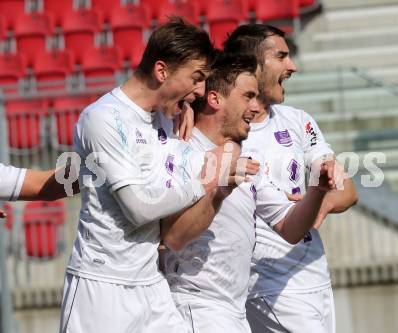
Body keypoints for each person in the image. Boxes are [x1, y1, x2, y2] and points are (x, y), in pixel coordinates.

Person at [58, 18, 250, 333]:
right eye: (196, 78)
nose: (201, 91)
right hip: (103, 290)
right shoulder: (103, 119)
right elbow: (139, 209)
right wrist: (208, 179)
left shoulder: (165, 116)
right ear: (161, 71)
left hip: (151, 286)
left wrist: (184, 105)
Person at [160, 53, 337, 333]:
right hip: (196, 308)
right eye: (248, 97)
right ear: (215, 99)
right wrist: (218, 192)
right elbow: (173, 237)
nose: (256, 108)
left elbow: (289, 228)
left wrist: (317, 192)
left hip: (234, 311)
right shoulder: (181, 152)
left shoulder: (246, 159)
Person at [223, 24, 358, 333]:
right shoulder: (228, 136)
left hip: (314, 275)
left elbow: (347, 189)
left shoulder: (297, 120)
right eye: (281, 56)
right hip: (270, 283)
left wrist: (318, 203)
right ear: (251, 66)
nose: (292, 66)